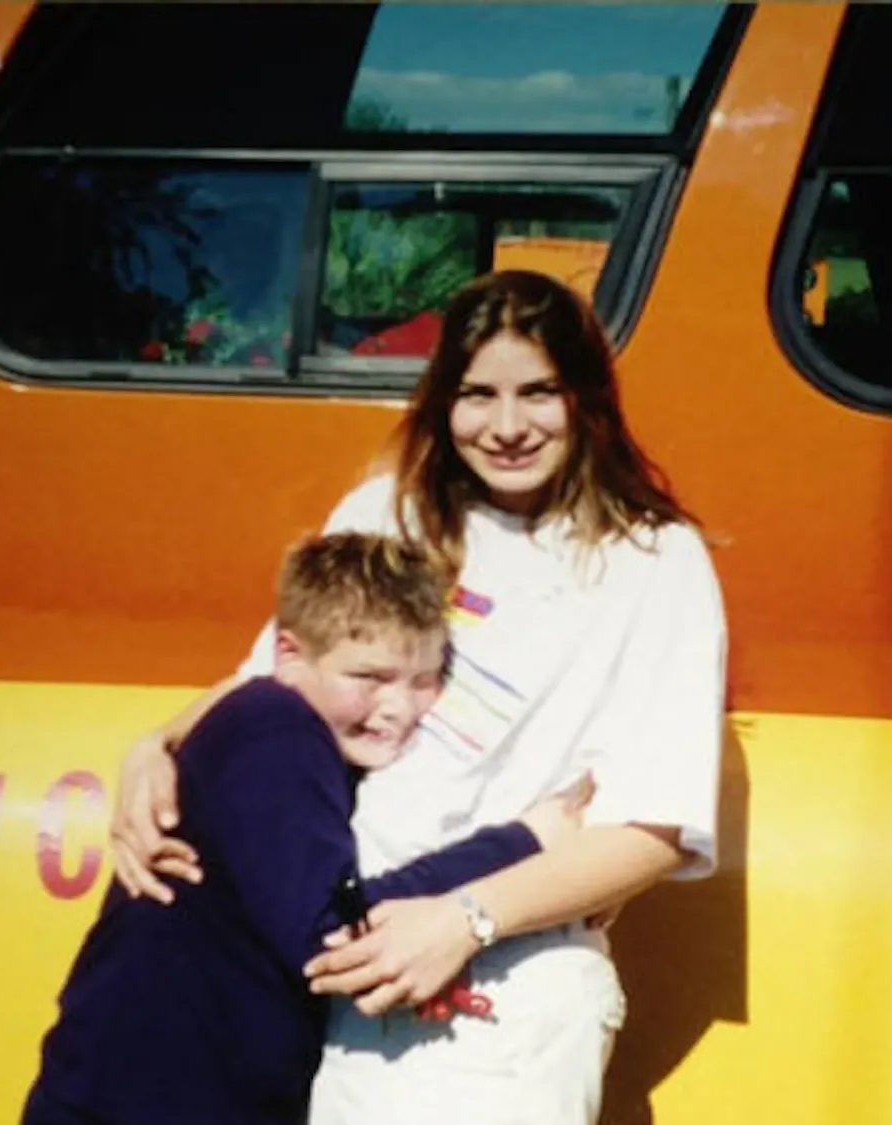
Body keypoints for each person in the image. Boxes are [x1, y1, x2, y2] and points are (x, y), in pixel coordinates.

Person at [111, 270, 727, 1125]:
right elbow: (280, 678)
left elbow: (654, 830)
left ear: (585, 397)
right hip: (343, 971)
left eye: (538, 392)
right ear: (442, 401)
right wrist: (154, 745)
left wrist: (465, 920)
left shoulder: (655, 562)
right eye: (478, 395)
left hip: (502, 987)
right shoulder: (386, 513)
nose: (507, 427)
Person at [24, 532, 585, 1125]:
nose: (399, 707)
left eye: (424, 680)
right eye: (369, 676)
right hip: (129, 1104)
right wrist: (525, 843)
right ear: (289, 655)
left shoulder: (315, 748)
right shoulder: (274, 728)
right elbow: (333, 938)